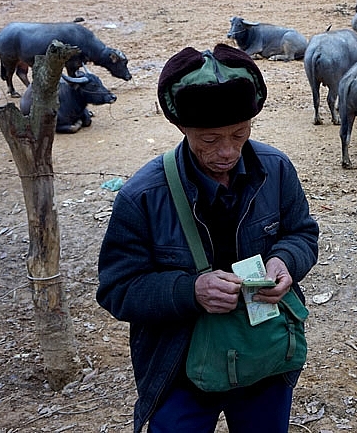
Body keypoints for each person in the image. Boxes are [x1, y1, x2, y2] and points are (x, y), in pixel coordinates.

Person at [97, 43, 319, 433]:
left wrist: (286, 260)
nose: (228, 152)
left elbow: (301, 232)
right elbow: (117, 288)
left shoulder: (276, 169)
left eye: (239, 134)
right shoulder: (143, 196)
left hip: (262, 356)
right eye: (211, 139)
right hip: (178, 367)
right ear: (182, 127)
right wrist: (190, 291)